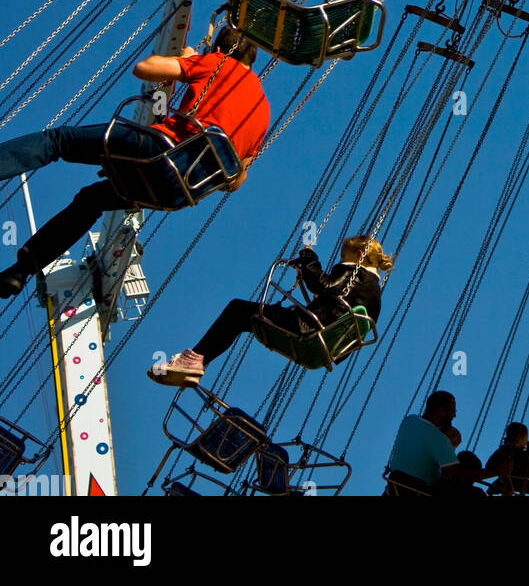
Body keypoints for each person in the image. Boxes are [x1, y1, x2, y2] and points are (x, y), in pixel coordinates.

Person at [0, 26, 269, 299]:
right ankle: (22, 270)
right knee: (91, 201)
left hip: (159, 152)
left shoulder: (218, 63)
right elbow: (235, 182)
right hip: (177, 190)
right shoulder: (264, 112)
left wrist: (188, 59)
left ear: (221, 50)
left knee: (58, 140)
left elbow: (145, 69)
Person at [147, 235, 392, 385]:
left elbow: (323, 284)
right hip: (324, 348)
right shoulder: (374, 293)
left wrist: (309, 257)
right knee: (251, 315)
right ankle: (197, 361)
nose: (339, 261)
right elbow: (331, 301)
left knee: (237, 310)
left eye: (342, 256)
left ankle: (194, 359)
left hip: (306, 329)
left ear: (359, 255)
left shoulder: (353, 272)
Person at [385, 391, 484, 496]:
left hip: (393, 488)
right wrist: (496, 471)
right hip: (419, 491)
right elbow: (460, 475)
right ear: (441, 410)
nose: (454, 415)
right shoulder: (440, 440)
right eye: (452, 411)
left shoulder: (409, 421)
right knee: (476, 494)